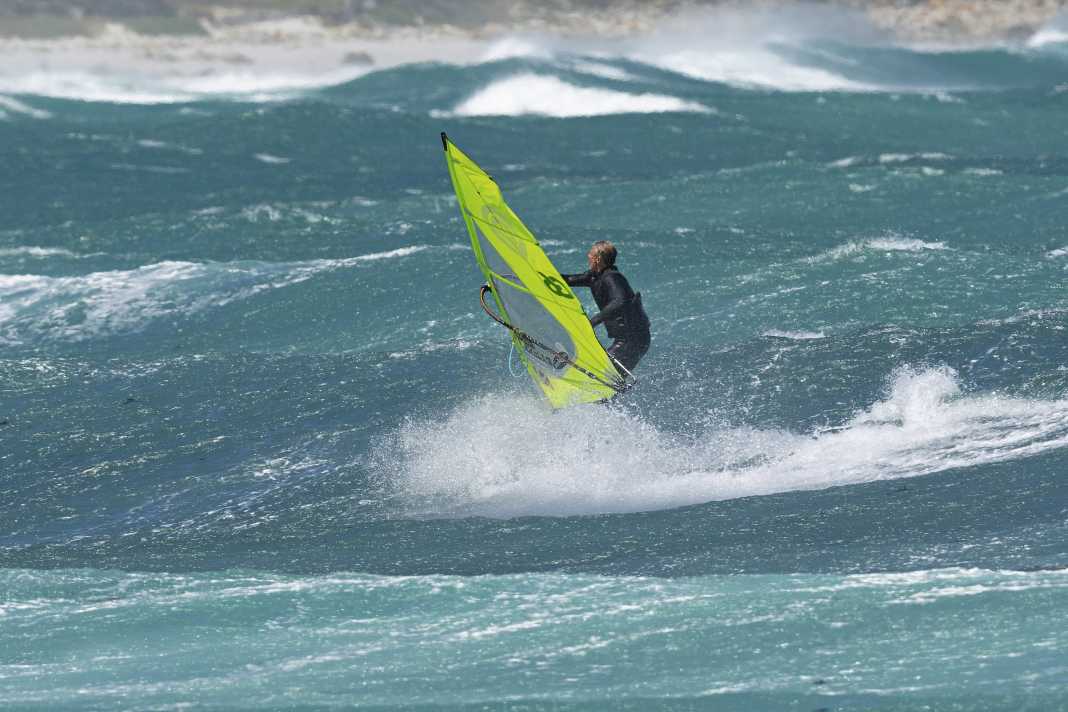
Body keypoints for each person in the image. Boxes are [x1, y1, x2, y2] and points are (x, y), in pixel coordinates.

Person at [561, 240, 650, 375]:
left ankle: (596, 395)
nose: (588, 256)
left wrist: (591, 322)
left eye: (590, 254)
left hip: (634, 339)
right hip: (629, 339)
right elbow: (566, 280)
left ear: (597, 259)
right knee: (608, 377)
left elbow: (620, 301)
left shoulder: (612, 278)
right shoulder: (594, 277)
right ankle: (603, 396)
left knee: (604, 374)